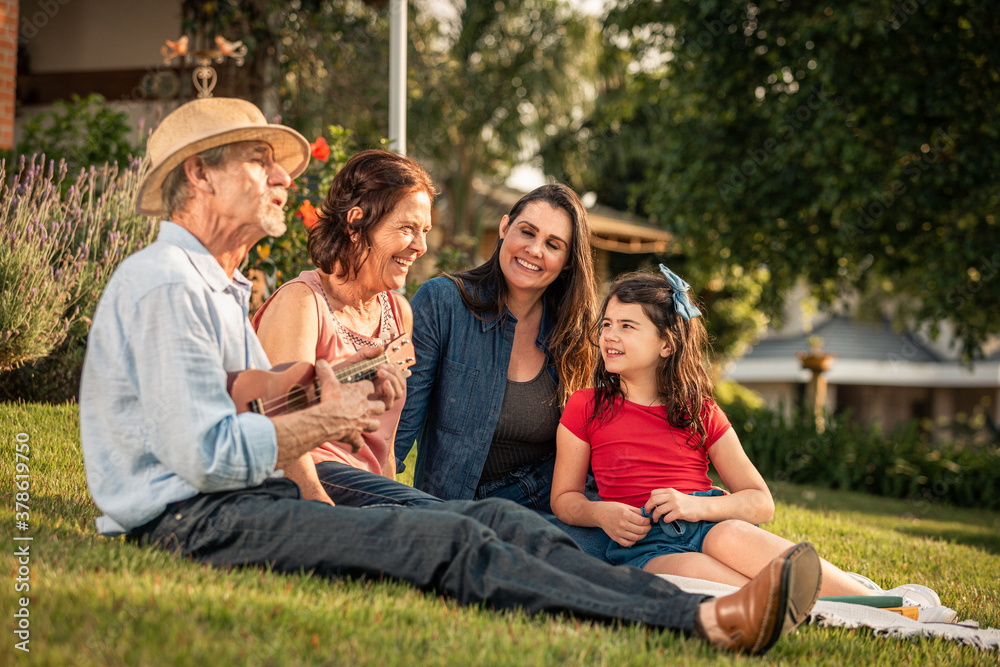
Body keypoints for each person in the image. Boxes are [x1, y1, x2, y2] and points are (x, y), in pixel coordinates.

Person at [79, 97, 823, 656]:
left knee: (500, 522)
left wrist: (308, 385)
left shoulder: (214, 285)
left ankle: (682, 594)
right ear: (198, 174)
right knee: (453, 547)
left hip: (244, 497)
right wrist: (321, 423)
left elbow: (236, 401)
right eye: (256, 161)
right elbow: (204, 455)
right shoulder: (165, 284)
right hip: (191, 522)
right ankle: (701, 617)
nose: (279, 176)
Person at [551, 266, 953, 619]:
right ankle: (854, 603)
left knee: (732, 538)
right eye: (606, 324)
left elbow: (761, 501)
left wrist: (694, 505)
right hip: (645, 551)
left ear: (667, 344)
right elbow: (564, 498)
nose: (609, 336)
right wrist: (601, 515)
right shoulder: (586, 407)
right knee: (755, 598)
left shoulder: (700, 412)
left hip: (709, 525)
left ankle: (883, 604)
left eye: (627, 326)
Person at [394, 184, 599, 513]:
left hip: (551, 507)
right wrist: (358, 501)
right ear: (505, 227)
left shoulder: (574, 334)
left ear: (568, 262)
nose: (534, 250)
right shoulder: (442, 303)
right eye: (527, 232)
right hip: (458, 510)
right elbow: (396, 429)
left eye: (553, 244)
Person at [253, 149, 439, 508]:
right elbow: (281, 433)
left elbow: (385, 444)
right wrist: (321, 512)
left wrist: (391, 508)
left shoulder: (399, 313)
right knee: (452, 521)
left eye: (425, 231)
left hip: (363, 487)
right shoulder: (302, 303)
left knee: (475, 520)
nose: (421, 246)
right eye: (407, 228)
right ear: (356, 223)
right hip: (312, 480)